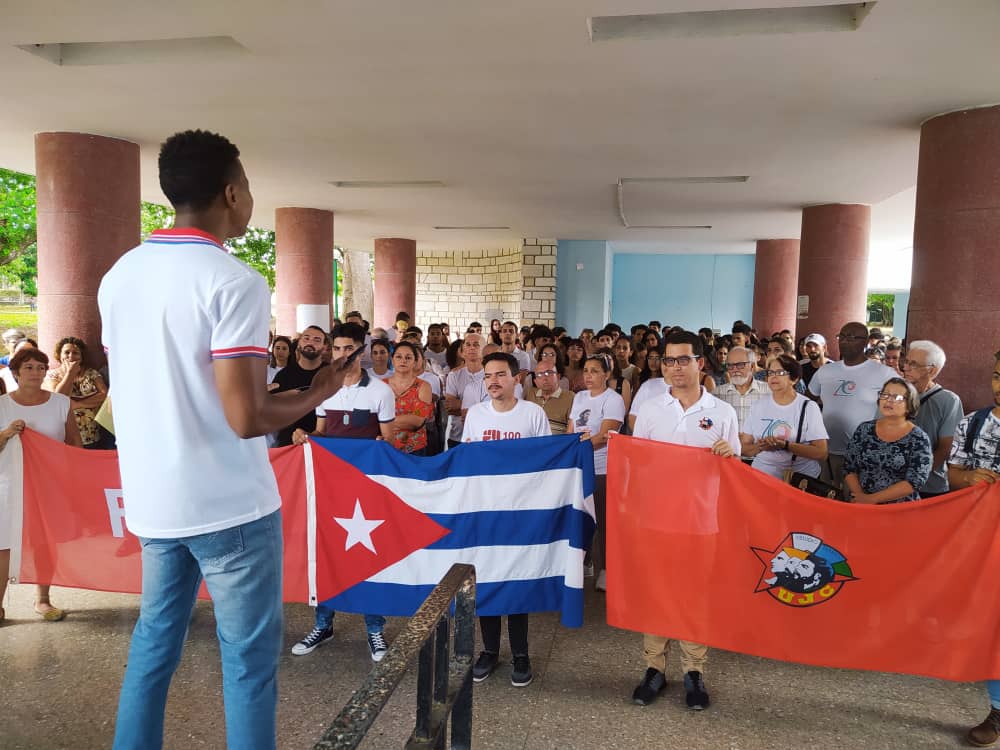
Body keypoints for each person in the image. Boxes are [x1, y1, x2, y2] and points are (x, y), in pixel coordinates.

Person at [98, 129, 349, 750]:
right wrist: (321, 390)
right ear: (231, 192)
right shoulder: (233, 280)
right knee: (248, 664)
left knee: (154, 647)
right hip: (229, 506)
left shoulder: (118, 276)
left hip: (156, 502)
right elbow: (246, 415)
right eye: (250, 188)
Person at [631, 330, 740, 710]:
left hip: (700, 520)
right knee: (657, 592)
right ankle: (654, 668)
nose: (675, 367)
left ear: (701, 363)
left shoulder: (722, 412)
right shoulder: (651, 410)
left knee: (694, 596)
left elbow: (736, 475)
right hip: (657, 519)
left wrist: (730, 457)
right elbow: (637, 463)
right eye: (669, 360)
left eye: (683, 360)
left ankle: (694, 671)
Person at [290, 322, 395, 660]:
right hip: (329, 486)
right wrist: (304, 437)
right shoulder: (325, 388)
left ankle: (375, 628)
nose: (342, 355)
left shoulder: (380, 391)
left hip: (366, 487)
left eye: (348, 348)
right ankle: (324, 623)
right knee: (325, 552)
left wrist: (381, 445)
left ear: (361, 351)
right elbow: (321, 431)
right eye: (336, 348)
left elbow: (388, 440)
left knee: (368, 554)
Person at [463, 352, 551, 688]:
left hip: (519, 512)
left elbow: (545, 463)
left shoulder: (532, 415)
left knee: (516, 582)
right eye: (488, 376)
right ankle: (488, 650)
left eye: (501, 375)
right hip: (485, 511)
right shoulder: (476, 415)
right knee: (485, 581)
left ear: (517, 378)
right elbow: (467, 464)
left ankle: (520, 653)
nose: (494, 382)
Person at [0, 347, 82, 624]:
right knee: (4, 545)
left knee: (45, 542)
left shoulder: (61, 402)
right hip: (9, 484)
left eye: (40, 367)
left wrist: (72, 476)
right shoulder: (2, 405)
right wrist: (8, 433)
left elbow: (74, 443)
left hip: (50, 486)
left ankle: (43, 600)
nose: (36, 373)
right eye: (28, 367)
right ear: (15, 373)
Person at [950, 353, 1000, 746]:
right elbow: (952, 476)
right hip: (981, 538)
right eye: (998, 376)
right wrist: (969, 478)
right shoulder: (973, 423)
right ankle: (997, 711)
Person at [808, 321, 898, 489]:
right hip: (826, 451)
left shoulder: (883, 373)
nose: (844, 340)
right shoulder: (826, 371)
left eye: (851, 337)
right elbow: (807, 402)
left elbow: (900, 408)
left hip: (862, 454)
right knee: (825, 497)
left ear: (865, 342)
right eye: (841, 336)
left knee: (854, 500)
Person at [569, 353, 626, 592]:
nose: (589, 376)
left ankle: (607, 569)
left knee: (603, 520)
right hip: (578, 466)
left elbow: (605, 435)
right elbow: (571, 429)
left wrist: (578, 448)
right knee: (578, 516)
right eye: (586, 371)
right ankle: (583, 562)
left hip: (602, 467)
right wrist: (569, 449)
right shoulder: (580, 396)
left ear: (606, 374)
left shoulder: (613, 399)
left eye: (594, 371)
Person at [843, 378, 932, 503]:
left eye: (897, 397)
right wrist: (861, 497)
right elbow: (849, 467)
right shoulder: (864, 429)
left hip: (900, 509)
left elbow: (915, 481)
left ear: (909, 405)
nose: (888, 400)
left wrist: (872, 499)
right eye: (885, 394)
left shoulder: (919, 438)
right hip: (862, 504)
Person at [741, 354, 828, 480]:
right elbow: (744, 447)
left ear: (794, 378)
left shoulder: (808, 407)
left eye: (780, 372)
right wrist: (761, 446)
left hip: (797, 479)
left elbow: (821, 452)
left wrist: (784, 445)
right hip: (762, 475)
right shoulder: (757, 406)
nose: (774, 376)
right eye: (770, 373)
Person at [900, 340, 963, 497]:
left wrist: (914, 478)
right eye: (906, 361)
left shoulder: (949, 401)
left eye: (913, 364)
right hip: (889, 485)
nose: (906, 368)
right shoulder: (893, 392)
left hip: (929, 487)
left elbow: (945, 448)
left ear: (932, 371)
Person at [43, 336, 109, 449]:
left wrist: (77, 404)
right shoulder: (52, 375)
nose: (71, 356)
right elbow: (58, 398)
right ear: (59, 355)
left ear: (81, 356)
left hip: (92, 434)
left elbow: (104, 395)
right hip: (66, 436)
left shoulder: (91, 373)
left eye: (76, 353)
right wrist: (70, 373)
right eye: (66, 352)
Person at [271, 326, 330, 446]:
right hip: (288, 445)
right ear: (298, 343)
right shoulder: (283, 376)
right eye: (306, 338)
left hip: (323, 444)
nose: (310, 343)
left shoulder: (331, 374)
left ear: (325, 347)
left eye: (317, 340)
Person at [384, 340, 434, 455]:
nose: (403, 360)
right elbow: (373, 419)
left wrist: (385, 422)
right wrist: (404, 420)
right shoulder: (381, 386)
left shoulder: (424, 386)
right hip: (385, 447)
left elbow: (417, 421)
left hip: (415, 449)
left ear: (415, 362)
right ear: (392, 360)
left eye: (408, 357)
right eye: (398, 357)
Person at [714, 346, 769, 434]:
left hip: (759, 446)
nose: (735, 369)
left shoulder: (769, 392)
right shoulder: (717, 394)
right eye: (730, 365)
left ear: (751, 366)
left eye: (740, 365)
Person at [444, 334, 485, 448]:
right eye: (468, 344)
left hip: (483, 436)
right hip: (458, 436)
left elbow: (495, 409)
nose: (472, 348)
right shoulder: (454, 375)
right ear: (462, 352)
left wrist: (461, 405)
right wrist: (480, 408)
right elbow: (450, 408)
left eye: (476, 345)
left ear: (484, 350)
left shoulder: (490, 375)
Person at [524, 358, 574, 434]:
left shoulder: (571, 397)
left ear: (558, 377)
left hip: (557, 444)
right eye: (540, 374)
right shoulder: (530, 394)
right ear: (535, 381)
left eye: (549, 373)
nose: (545, 378)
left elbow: (572, 432)